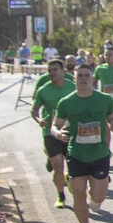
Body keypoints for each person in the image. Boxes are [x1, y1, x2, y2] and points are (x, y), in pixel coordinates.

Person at [51, 62, 113, 223]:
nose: (83, 79)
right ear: (74, 79)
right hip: (76, 154)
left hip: (99, 154)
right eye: (80, 76)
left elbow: (112, 118)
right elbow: (55, 125)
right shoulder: (66, 102)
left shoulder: (104, 99)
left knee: (98, 198)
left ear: (92, 79)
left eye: (87, 76)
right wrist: (58, 134)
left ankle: (95, 199)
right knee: (78, 195)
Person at [30, 58, 74, 208]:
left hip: (70, 131)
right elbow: (34, 110)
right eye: (49, 71)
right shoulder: (44, 90)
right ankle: (61, 195)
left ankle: (70, 181)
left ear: (62, 71)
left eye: (55, 70)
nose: (52, 73)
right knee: (57, 165)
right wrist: (38, 119)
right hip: (51, 132)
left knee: (73, 165)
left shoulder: (72, 87)